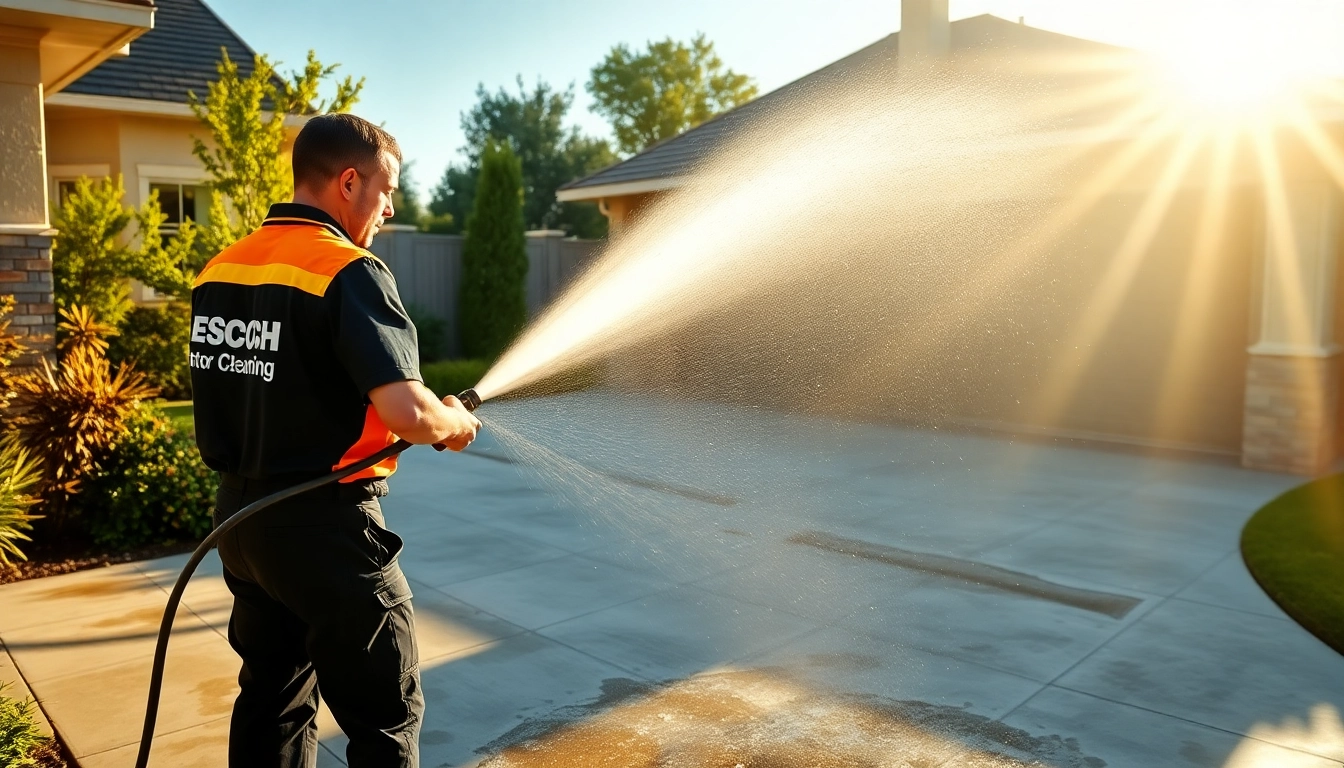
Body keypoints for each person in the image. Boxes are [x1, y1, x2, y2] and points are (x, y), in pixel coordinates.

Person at [189, 113, 480, 768]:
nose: (390, 206)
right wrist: (452, 423)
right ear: (349, 181)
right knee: (385, 719)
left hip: (241, 521)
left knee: (274, 697)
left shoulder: (221, 269)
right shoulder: (348, 270)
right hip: (325, 534)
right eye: (387, 188)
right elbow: (406, 412)